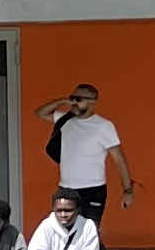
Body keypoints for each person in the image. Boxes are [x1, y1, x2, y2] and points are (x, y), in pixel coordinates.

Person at [33, 78, 135, 219]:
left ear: (92, 102)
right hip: (66, 188)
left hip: (92, 190)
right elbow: (40, 113)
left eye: (79, 99)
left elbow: (119, 159)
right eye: (72, 98)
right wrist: (62, 101)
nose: (74, 102)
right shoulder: (65, 120)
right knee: (65, 233)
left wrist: (128, 191)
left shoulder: (103, 126)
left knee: (89, 232)